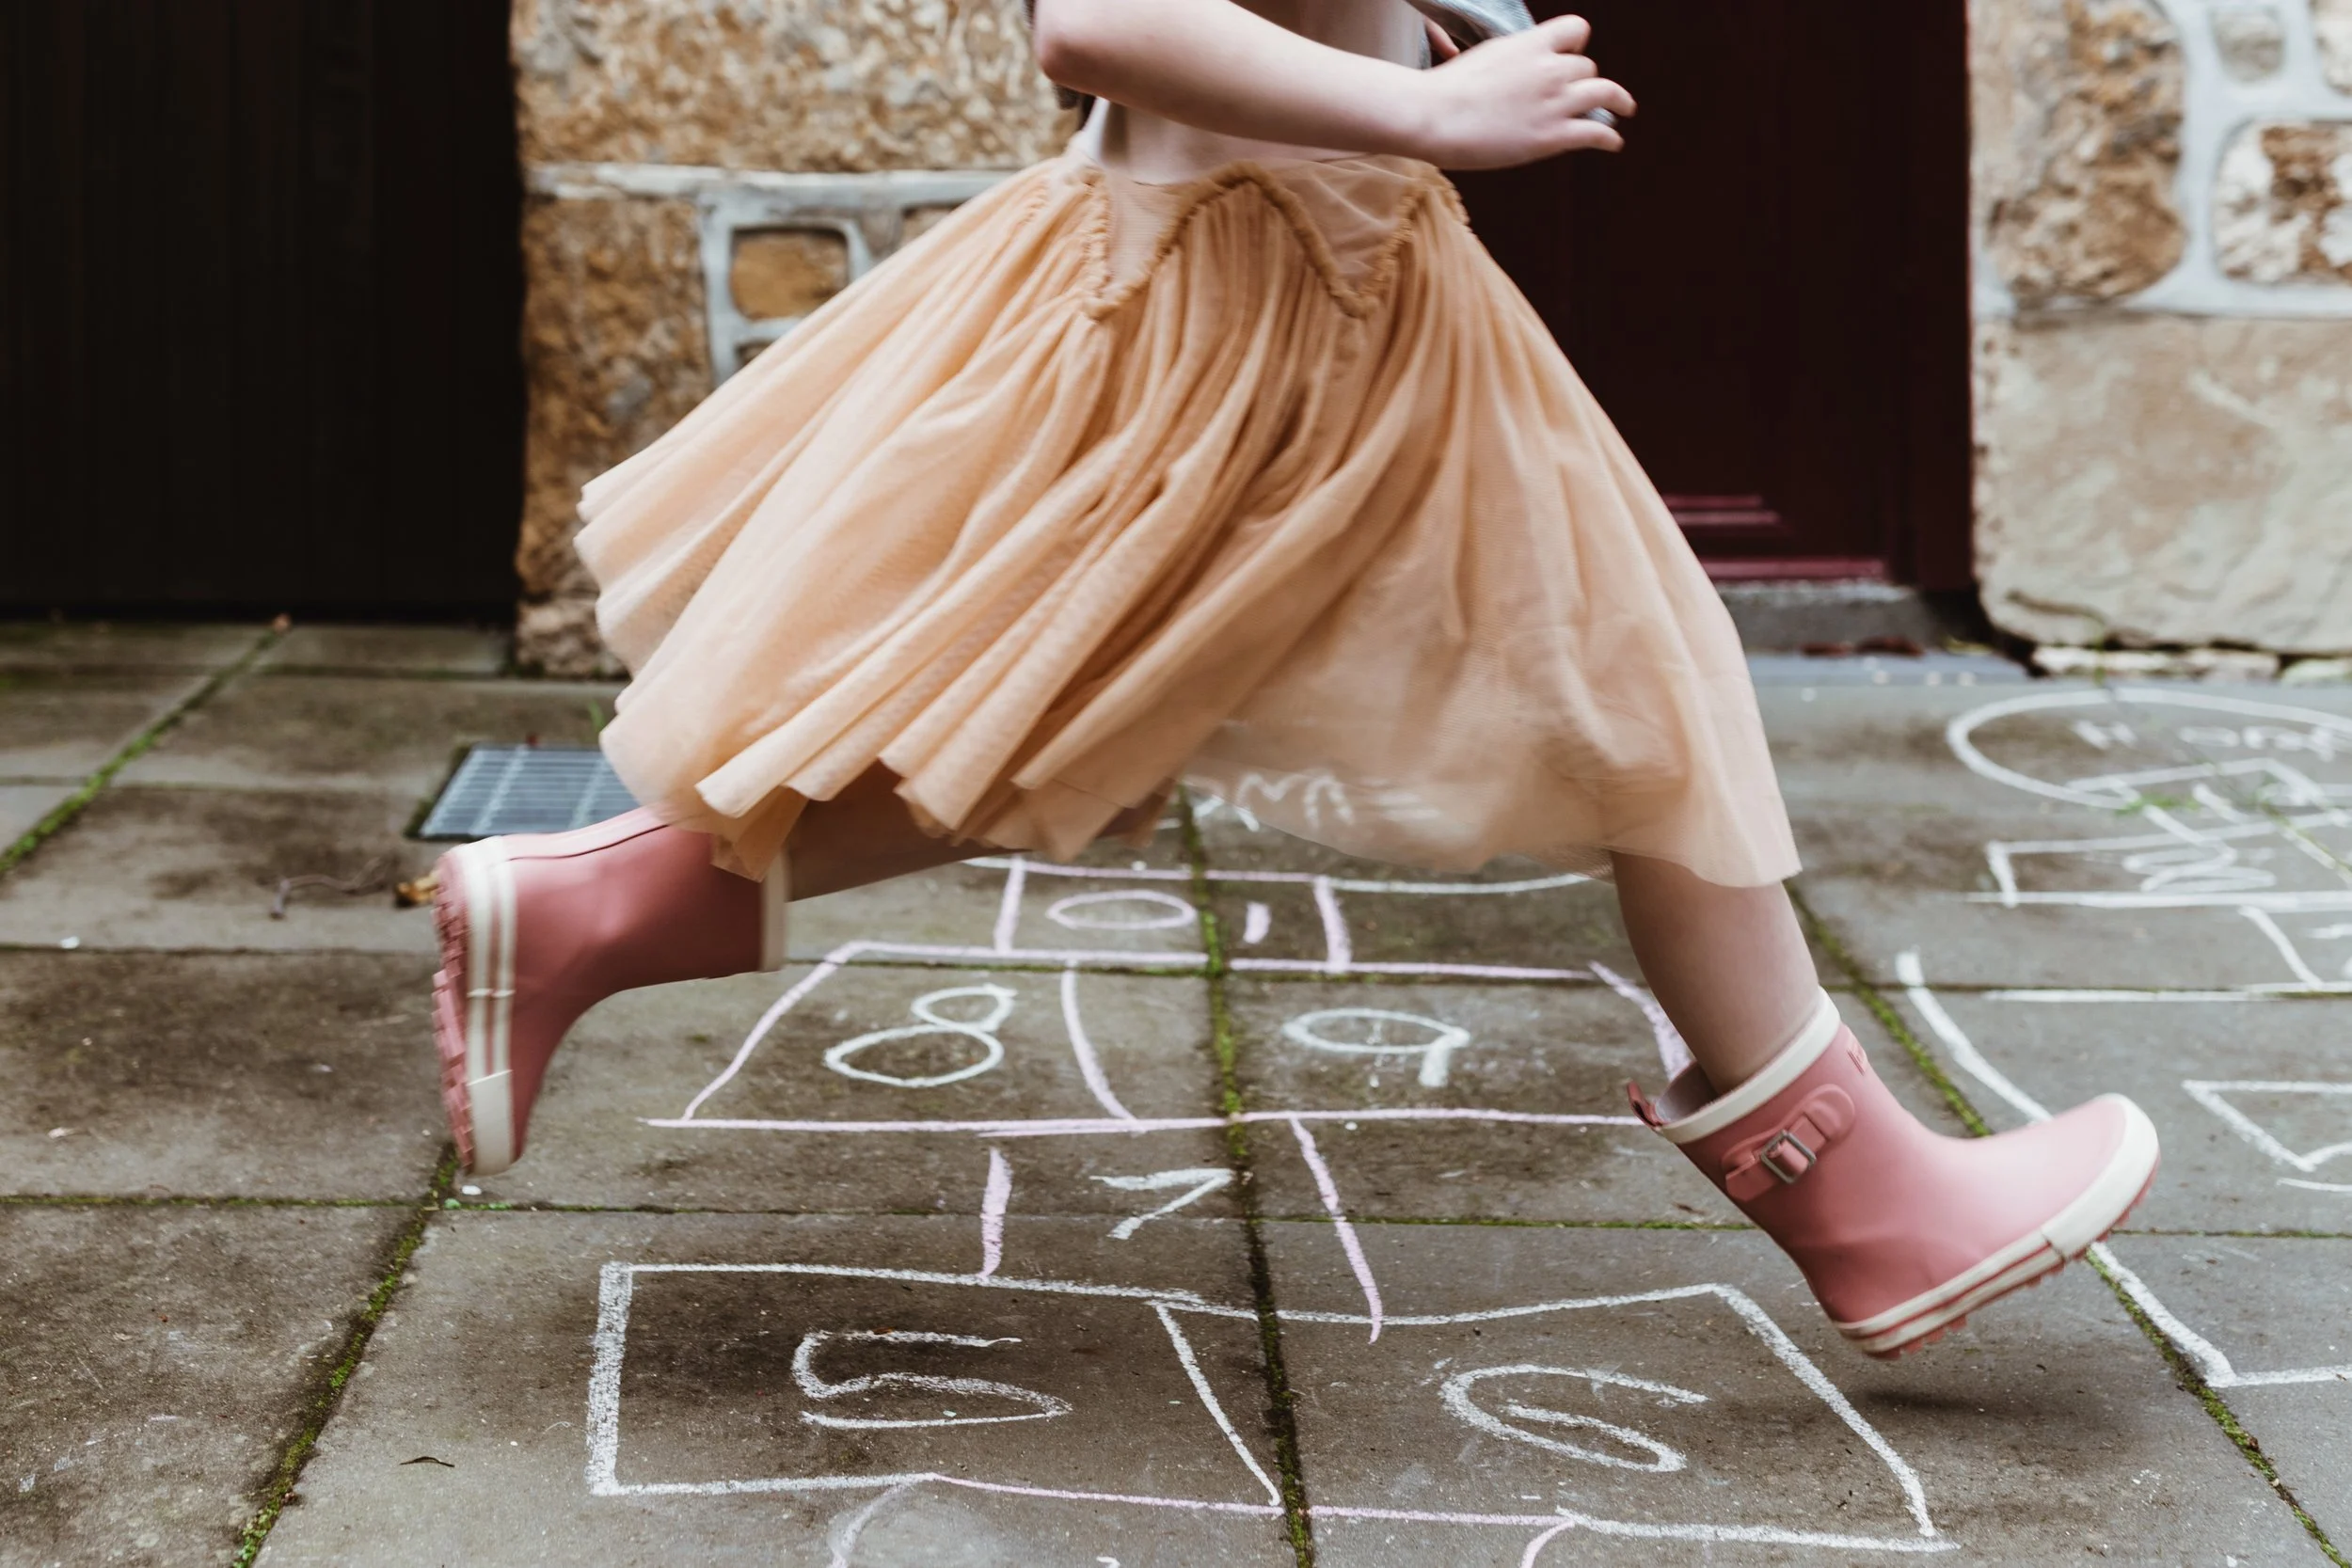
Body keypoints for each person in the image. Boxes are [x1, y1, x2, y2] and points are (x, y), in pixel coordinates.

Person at [429, 0, 2156, 1359]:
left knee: (1084, 721)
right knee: (1615, 680)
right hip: (1262, 282)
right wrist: (1430, 109)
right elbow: (1095, 14)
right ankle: (1870, 1203)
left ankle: (587, 911)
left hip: (1300, 259)